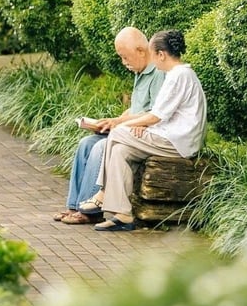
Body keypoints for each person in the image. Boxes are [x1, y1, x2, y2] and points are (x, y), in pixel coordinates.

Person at [80, 29, 207, 232]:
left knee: (118, 133)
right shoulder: (178, 74)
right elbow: (160, 115)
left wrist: (125, 124)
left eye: (152, 54)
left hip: (178, 143)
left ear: (161, 54)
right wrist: (140, 125)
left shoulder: (179, 76)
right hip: (168, 137)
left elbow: (156, 116)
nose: (152, 61)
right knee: (122, 151)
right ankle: (123, 214)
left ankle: (103, 191)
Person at [55, 27, 165, 225]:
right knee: (86, 143)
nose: (124, 63)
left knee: (100, 147)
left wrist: (119, 123)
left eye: (125, 57)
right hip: (128, 129)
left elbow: (155, 113)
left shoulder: (158, 73)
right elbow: (135, 109)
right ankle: (75, 205)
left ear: (141, 50)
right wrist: (109, 122)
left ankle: (89, 211)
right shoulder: (140, 71)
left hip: (142, 136)